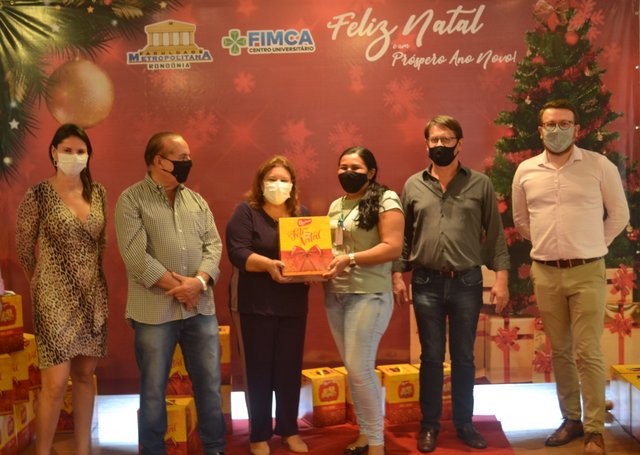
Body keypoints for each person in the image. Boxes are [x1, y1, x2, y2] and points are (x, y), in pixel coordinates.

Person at [511, 99, 629, 455]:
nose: (557, 130)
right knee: (560, 351)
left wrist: (593, 244)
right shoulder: (526, 171)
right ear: (540, 130)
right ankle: (571, 420)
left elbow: (619, 214)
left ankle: (594, 429)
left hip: (588, 271)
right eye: (551, 124)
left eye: (565, 124)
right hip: (545, 272)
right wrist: (550, 246)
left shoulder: (599, 166)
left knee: (587, 350)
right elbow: (521, 221)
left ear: (577, 129)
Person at [392, 115, 510, 453]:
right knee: (431, 357)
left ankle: (464, 424)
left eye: (446, 139)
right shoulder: (413, 185)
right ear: (426, 144)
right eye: (434, 140)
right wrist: (397, 274)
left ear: (460, 144)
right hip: (426, 282)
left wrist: (502, 279)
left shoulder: (480, 184)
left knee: (464, 357)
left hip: (467, 282)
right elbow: (404, 236)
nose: (440, 145)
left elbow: (495, 235)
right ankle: (429, 426)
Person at [114, 132, 225, 455]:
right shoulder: (131, 200)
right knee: (153, 390)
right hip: (153, 313)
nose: (188, 162)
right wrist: (180, 289)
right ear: (158, 161)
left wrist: (198, 283)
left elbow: (213, 246)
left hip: (200, 309)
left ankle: (215, 448)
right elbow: (136, 257)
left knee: (210, 385)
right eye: (181, 157)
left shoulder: (197, 201)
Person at [16, 123, 108, 455]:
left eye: (80, 151)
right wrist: (43, 286)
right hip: (52, 299)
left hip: (92, 297)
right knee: (54, 384)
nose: (74, 156)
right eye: (67, 150)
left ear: (88, 155)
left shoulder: (98, 193)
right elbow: (24, 250)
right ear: (54, 152)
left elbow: (101, 245)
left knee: (84, 375)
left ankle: (83, 449)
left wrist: (91, 286)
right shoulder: (38, 194)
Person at [226, 155, 310, 455]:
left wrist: (318, 267)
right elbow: (237, 252)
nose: (278, 184)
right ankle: (258, 434)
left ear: (293, 185)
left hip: (293, 305)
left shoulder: (301, 214)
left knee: (289, 369)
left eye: (284, 180)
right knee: (258, 370)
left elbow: (311, 253)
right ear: (260, 183)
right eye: (272, 179)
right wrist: (268, 265)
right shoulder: (246, 212)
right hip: (254, 304)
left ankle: (289, 429)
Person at [323, 146, 404, 455]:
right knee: (354, 369)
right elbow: (329, 249)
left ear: (371, 172)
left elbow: (392, 247)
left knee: (360, 370)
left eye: (355, 168)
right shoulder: (336, 205)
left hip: (369, 294)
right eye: (343, 167)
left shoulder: (386, 199)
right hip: (336, 295)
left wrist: (351, 259)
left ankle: (377, 444)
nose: (348, 172)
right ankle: (365, 434)